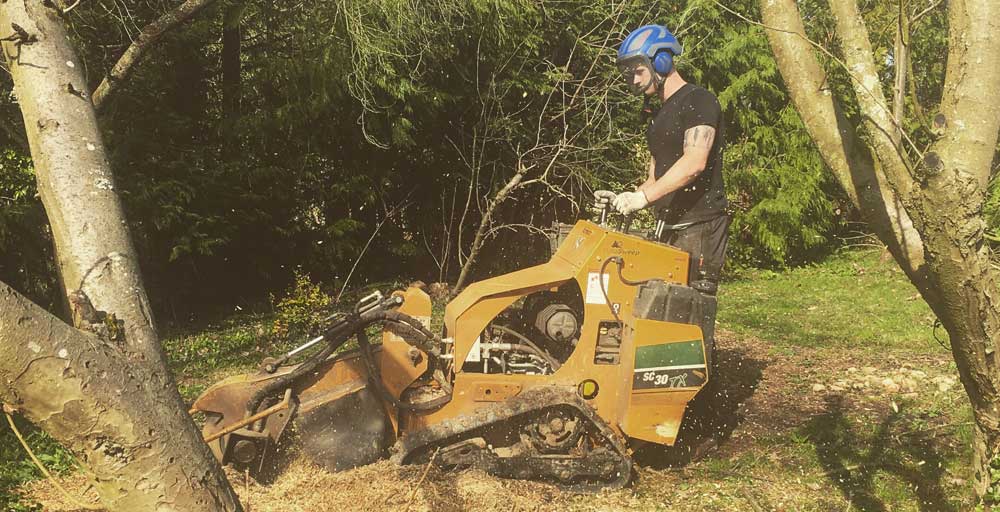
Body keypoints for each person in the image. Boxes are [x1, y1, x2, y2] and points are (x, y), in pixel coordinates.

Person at [595, 24, 730, 296]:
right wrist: (628, 198)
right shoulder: (658, 117)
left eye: (638, 71)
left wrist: (644, 199)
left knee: (688, 312)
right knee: (659, 315)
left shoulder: (698, 100)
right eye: (629, 74)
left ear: (662, 61)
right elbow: (655, 179)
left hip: (699, 227)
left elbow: (694, 162)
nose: (633, 80)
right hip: (670, 226)